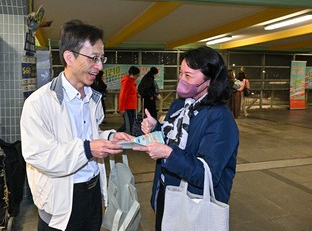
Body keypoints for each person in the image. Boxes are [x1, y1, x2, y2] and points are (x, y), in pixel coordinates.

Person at [20, 19, 133, 231]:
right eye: (93, 58)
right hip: (60, 197)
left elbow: (92, 132)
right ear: (69, 57)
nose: (99, 66)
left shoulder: (92, 97)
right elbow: (39, 155)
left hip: (92, 192)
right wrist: (88, 149)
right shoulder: (39, 103)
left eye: (101, 58)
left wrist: (108, 137)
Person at [134, 46, 239, 230]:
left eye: (189, 76)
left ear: (210, 80)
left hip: (193, 201)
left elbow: (206, 175)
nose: (182, 80)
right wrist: (155, 128)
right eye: (181, 73)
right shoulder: (179, 105)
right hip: (167, 191)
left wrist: (168, 154)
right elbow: (175, 138)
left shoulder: (220, 118)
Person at [117, 66, 140, 134]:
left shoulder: (132, 82)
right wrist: (122, 108)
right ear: (132, 75)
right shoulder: (127, 82)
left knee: (130, 123)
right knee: (129, 125)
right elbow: (122, 95)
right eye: (137, 75)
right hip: (127, 107)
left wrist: (136, 95)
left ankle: (115, 134)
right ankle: (126, 137)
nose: (137, 77)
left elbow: (131, 93)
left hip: (132, 106)